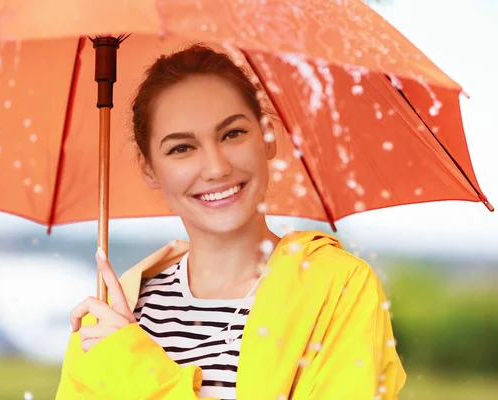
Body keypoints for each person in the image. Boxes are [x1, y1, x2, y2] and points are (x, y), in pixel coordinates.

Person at [55, 44, 406, 400]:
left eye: (232, 134)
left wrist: (136, 370)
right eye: (181, 148)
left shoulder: (338, 288)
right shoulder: (111, 316)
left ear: (267, 137)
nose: (217, 167)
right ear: (150, 168)